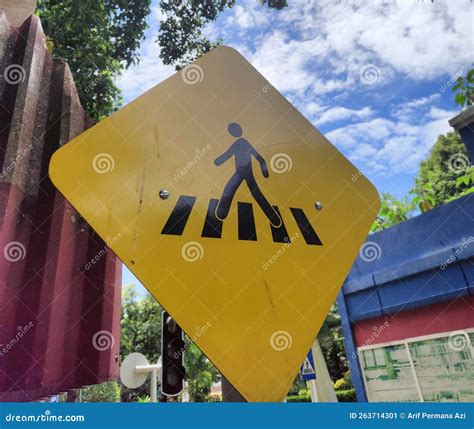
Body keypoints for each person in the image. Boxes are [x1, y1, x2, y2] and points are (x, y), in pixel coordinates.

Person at [214, 123, 282, 227]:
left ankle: (221, 214)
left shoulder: (243, 142)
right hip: (240, 172)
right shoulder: (239, 143)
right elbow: (228, 154)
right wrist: (217, 161)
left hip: (245, 172)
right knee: (235, 190)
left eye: (233, 130)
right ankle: (221, 214)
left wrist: (265, 172)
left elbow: (260, 158)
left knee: (235, 190)